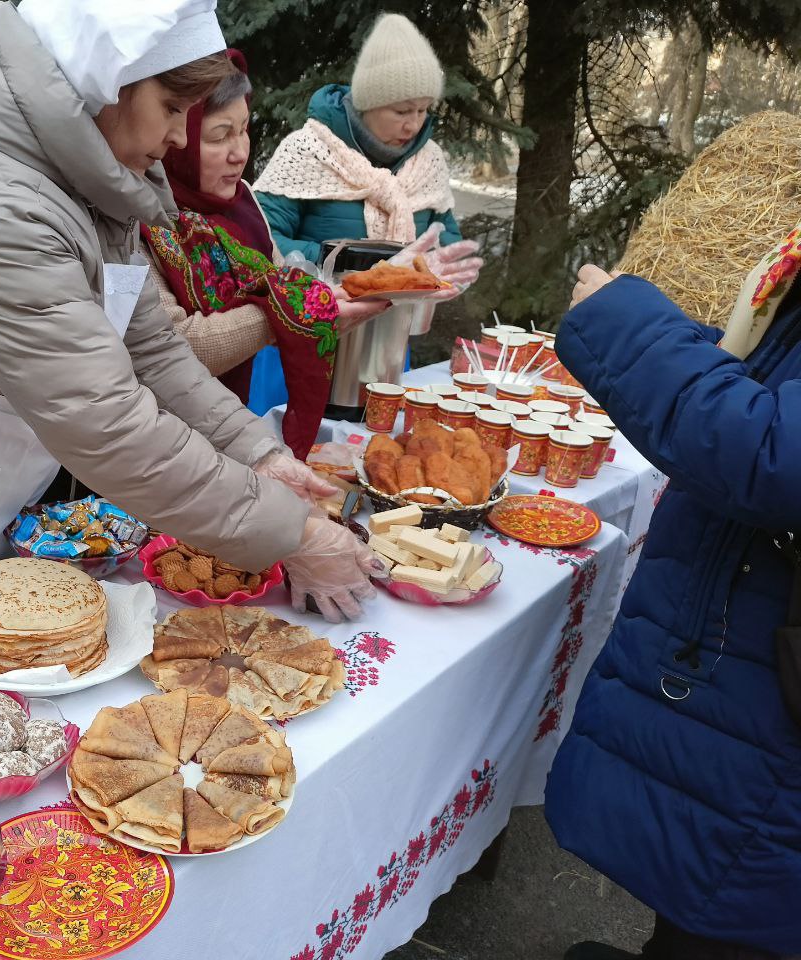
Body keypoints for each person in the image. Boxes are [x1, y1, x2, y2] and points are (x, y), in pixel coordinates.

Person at [0, 0, 377, 623]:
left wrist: (258, 454)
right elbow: (104, 421)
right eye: (172, 108)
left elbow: (153, 353)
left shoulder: (88, 189)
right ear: (106, 83)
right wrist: (293, 535)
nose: (179, 137)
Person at [544, 225, 801, 959]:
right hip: (749, 640)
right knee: (710, 865)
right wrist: (685, 345)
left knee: (747, 892)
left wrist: (624, 324)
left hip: (775, 665)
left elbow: (775, 455)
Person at [143, 51, 481, 453]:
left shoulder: (242, 204)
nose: (240, 152)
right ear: (175, 136)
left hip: (231, 429)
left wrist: (384, 278)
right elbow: (176, 348)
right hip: (159, 443)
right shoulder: (140, 219)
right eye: (219, 136)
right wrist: (294, 312)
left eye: (244, 130)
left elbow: (290, 296)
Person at [249, 13, 473, 411]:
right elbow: (261, 236)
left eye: (423, 110)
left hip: (385, 344)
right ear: (369, 102)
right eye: (402, 111)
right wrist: (340, 265)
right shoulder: (308, 150)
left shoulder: (429, 162)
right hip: (305, 334)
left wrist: (435, 270)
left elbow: (445, 237)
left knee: (372, 440)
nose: (414, 124)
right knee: (288, 439)